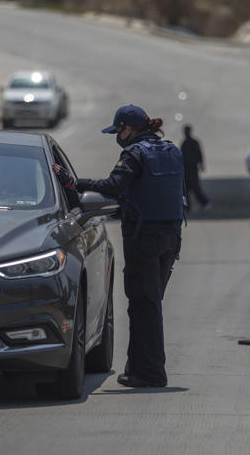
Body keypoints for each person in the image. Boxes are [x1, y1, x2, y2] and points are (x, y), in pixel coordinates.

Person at [76, 104, 184, 388]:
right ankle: (139, 368)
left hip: (144, 239)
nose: (117, 137)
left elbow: (114, 185)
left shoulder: (134, 154)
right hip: (171, 239)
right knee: (150, 304)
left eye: (118, 131)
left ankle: (149, 372)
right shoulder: (171, 151)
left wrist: (76, 184)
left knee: (142, 305)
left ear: (129, 128)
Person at [180, 125, 211, 212]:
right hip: (186, 170)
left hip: (193, 169)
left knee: (195, 188)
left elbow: (199, 154)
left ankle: (205, 203)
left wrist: (201, 165)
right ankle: (187, 207)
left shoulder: (194, 142)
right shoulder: (184, 143)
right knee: (185, 190)